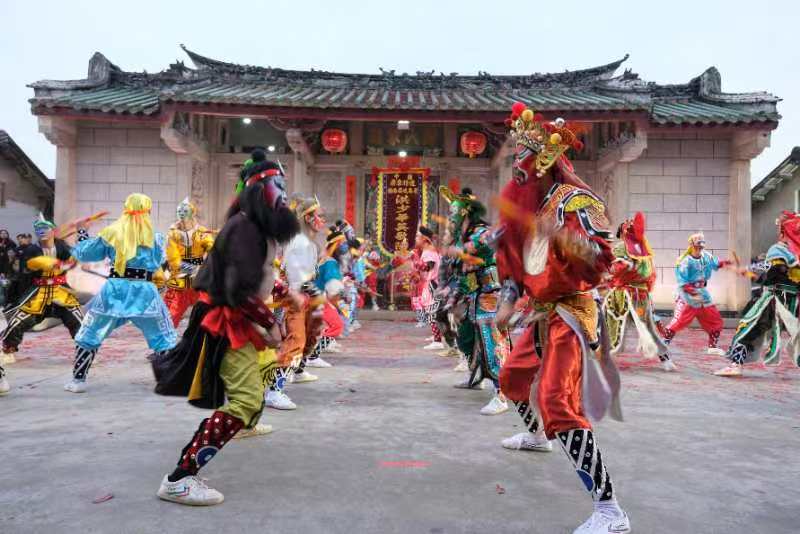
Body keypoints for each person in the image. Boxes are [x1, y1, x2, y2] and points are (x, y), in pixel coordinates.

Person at [495, 103, 629, 533]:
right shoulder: (532, 208)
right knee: (512, 379)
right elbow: (516, 263)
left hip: (572, 311)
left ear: (543, 162)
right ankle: (538, 437)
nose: (516, 168)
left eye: (522, 159)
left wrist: (565, 237)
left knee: (556, 398)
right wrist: (508, 299)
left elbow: (604, 258)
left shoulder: (577, 200)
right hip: (541, 312)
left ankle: (610, 510)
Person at [151, 154, 299, 505]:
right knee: (247, 399)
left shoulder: (252, 228)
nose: (283, 195)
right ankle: (180, 479)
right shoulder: (245, 228)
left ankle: (240, 425)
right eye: (278, 186)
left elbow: (253, 277)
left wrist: (281, 295)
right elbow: (237, 290)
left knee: (252, 393)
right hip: (226, 319)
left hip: (236, 316)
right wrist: (271, 323)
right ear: (260, 190)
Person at [64, 194, 177, 393]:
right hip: (144, 291)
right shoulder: (156, 237)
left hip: (114, 290)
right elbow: (158, 262)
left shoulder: (112, 233)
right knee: (163, 336)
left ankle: (78, 381)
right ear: (148, 211)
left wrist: (82, 231)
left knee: (90, 331)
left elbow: (85, 253)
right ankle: (169, 381)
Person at [441, 186, 511, 416]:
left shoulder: (482, 232)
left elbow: (481, 244)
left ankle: (502, 394)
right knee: (468, 338)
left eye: (454, 213)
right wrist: (453, 294)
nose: (451, 217)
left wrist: (460, 249)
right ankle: (477, 377)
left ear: (466, 213)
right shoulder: (462, 235)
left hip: (490, 295)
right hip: (473, 294)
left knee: (492, 342)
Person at [715, 211, 800, 377]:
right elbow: (770, 269)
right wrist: (746, 270)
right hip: (794, 302)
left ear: (783, 231)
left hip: (774, 300)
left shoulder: (778, 249)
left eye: (779, 227)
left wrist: (748, 273)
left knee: (747, 328)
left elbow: (773, 276)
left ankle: (735, 365)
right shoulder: (795, 253)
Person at [269, 194, 328, 409]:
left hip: (301, 297)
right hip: (292, 299)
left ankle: (292, 374)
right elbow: (297, 281)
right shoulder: (299, 243)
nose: (323, 220)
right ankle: (274, 391)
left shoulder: (307, 243)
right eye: (319, 215)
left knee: (308, 336)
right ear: (307, 218)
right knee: (296, 342)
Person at [1, 216, 84, 367]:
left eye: (45, 229)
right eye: (38, 229)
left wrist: (69, 260)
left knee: (78, 321)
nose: (42, 232)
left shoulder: (62, 247)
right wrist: (39, 264)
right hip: (38, 293)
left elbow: (73, 262)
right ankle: (8, 350)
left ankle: (84, 351)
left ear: (53, 231)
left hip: (60, 292)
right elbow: (26, 269)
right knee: (17, 322)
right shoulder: (31, 249)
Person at [603, 213, 675, 371]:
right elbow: (647, 275)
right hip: (632, 295)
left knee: (619, 326)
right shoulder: (638, 249)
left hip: (627, 295)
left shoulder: (631, 249)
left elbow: (615, 270)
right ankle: (665, 358)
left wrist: (622, 273)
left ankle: (605, 358)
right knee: (620, 326)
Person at [663, 232, 731, 354]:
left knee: (715, 319)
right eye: (697, 245)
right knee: (679, 321)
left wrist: (726, 263)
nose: (700, 248)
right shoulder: (685, 261)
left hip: (703, 294)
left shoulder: (706, 256)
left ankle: (712, 347)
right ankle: (664, 343)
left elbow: (716, 264)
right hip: (687, 294)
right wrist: (692, 292)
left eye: (701, 245)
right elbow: (682, 281)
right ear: (692, 245)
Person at [163, 197, 214, 327]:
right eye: (179, 211)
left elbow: (211, 247)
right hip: (180, 280)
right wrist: (193, 269)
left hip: (199, 281)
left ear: (192, 213)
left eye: (185, 211)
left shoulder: (201, 231)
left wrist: (205, 263)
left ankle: (202, 336)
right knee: (172, 313)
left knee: (208, 311)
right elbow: (173, 258)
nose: (181, 214)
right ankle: (166, 338)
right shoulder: (173, 234)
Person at [413, 226, 443, 351]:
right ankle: (436, 337)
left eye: (417, 236)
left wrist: (415, 262)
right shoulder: (428, 250)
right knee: (432, 311)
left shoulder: (429, 251)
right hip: (431, 283)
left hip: (433, 284)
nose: (415, 239)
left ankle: (438, 340)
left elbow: (428, 267)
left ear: (424, 239)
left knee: (432, 312)